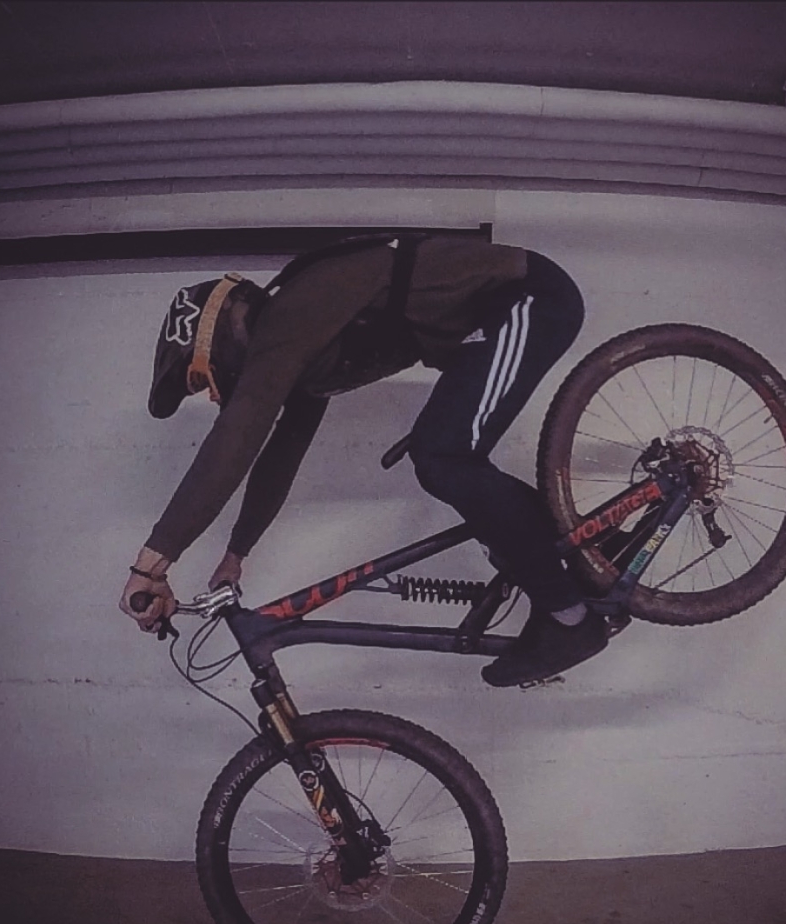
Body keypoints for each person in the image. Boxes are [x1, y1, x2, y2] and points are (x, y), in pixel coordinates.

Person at [118, 233, 610, 686]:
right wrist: (236, 555)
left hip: (528, 298)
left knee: (444, 456)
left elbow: (237, 436)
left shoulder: (291, 312)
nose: (215, 395)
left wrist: (150, 566)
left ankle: (570, 620)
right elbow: (280, 456)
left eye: (203, 380)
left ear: (218, 339)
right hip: (488, 323)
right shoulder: (309, 348)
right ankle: (591, 554)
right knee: (441, 457)